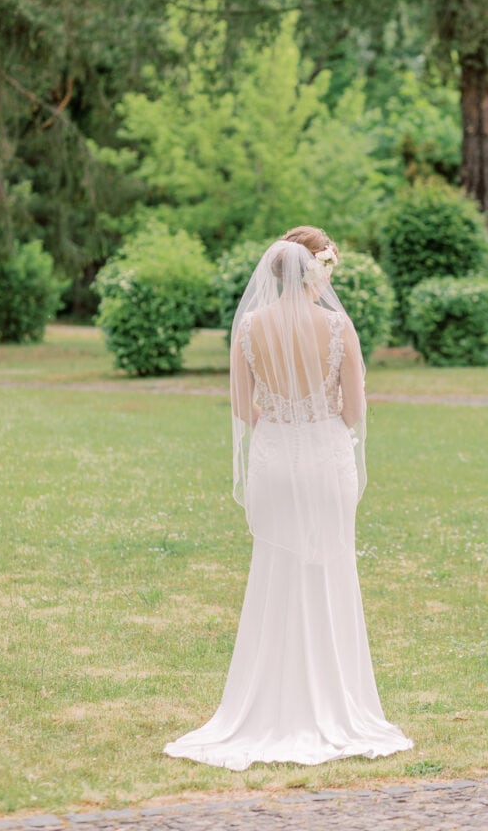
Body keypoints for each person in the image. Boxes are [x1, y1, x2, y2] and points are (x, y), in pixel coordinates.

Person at [163, 226, 412, 769]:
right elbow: (351, 413)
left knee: (275, 575)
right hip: (324, 459)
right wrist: (310, 418)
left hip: (274, 462)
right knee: (328, 573)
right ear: (317, 268)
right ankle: (334, 702)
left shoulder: (250, 327)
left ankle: (269, 705)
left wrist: (278, 421)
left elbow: (238, 403)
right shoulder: (337, 325)